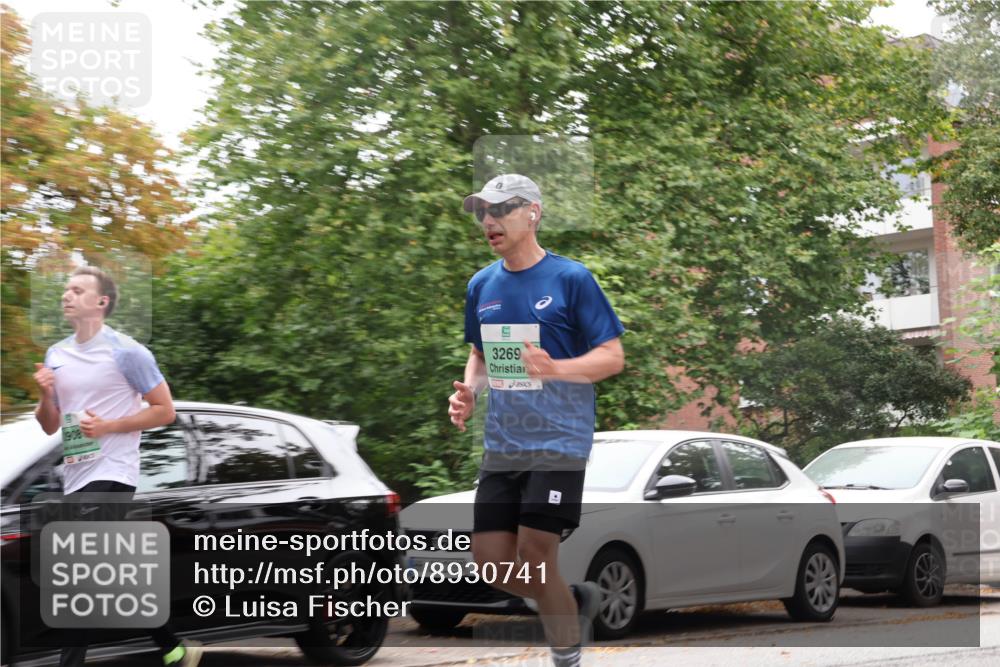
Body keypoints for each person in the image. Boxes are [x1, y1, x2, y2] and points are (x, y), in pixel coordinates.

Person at [448, 174, 625, 667]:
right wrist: (468, 392)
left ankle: (565, 653)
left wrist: (556, 368)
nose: (489, 221)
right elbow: (481, 357)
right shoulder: (481, 285)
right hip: (504, 445)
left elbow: (612, 358)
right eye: (483, 212)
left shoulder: (571, 279)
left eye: (500, 210)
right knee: (489, 566)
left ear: (533, 213)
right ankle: (570, 598)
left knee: (534, 551)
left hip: (560, 443)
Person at [33, 266, 202, 667]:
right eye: (65, 289)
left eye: (77, 290)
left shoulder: (128, 352)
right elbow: (49, 425)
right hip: (76, 474)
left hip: (114, 472)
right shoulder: (56, 354)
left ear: (101, 302)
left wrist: (110, 426)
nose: (66, 295)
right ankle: (174, 650)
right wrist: (44, 395)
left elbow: (165, 411)